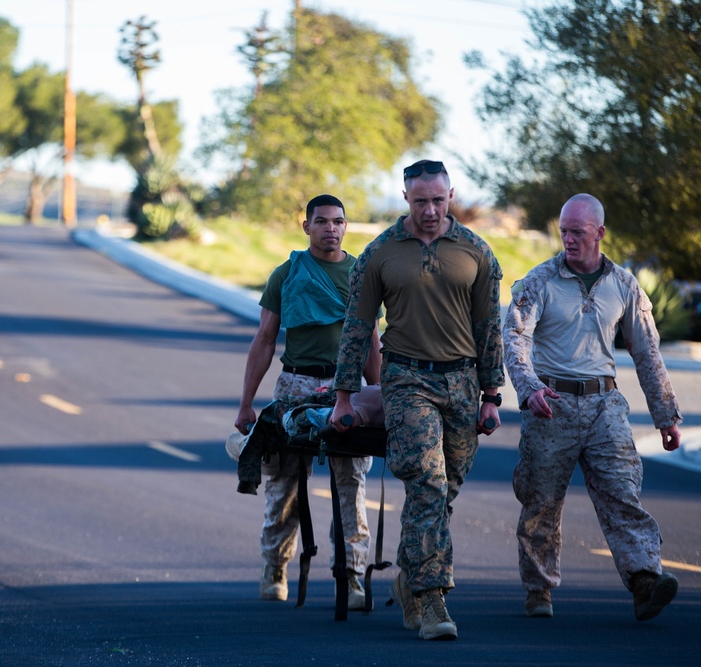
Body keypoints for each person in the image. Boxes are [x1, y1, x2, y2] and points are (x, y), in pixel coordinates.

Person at [329, 160, 504, 641]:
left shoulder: (476, 251)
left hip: (464, 383)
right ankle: (432, 601)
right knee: (427, 482)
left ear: (452, 196)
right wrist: (344, 397)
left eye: (439, 200)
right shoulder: (379, 253)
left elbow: (489, 329)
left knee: (444, 493)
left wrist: (492, 395)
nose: (430, 210)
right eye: (420, 200)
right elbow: (357, 329)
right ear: (405, 198)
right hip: (406, 380)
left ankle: (409, 575)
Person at [503, 193, 682, 622]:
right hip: (552, 403)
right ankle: (539, 589)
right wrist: (529, 389)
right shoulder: (539, 281)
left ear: (599, 233)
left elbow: (648, 353)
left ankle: (644, 581)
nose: (568, 239)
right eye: (563, 231)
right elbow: (515, 339)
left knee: (622, 492)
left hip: (604, 405)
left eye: (577, 232)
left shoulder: (623, 285)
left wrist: (666, 416)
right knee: (541, 502)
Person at [235, 194, 381, 610]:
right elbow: (264, 340)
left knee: (350, 483)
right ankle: (274, 568)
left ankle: (352, 577)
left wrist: (381, 400)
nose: (330, 229)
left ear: (346, 227)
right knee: (283, 485)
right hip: (296, 385)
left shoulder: (361, 275)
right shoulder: (287, 274)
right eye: (321, 222)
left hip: (346, 389)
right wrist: (246, 405)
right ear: (306, 227)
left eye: (338, 221)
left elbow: (372, 342)